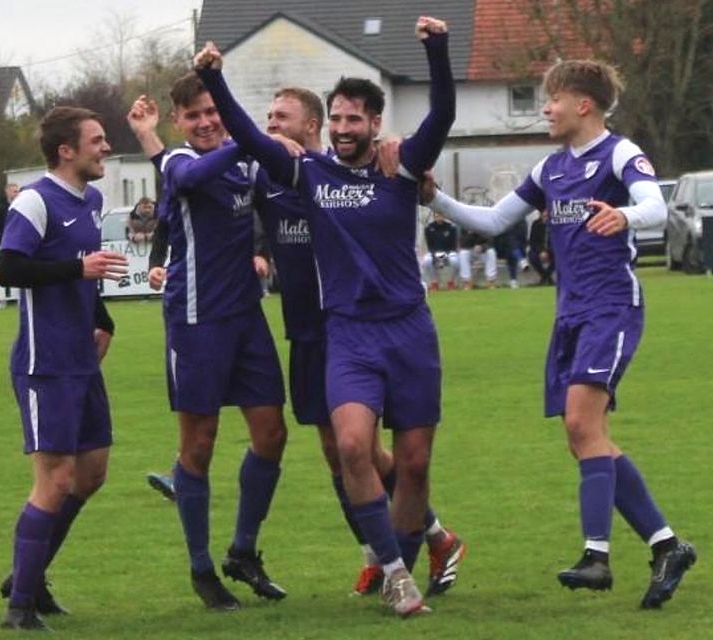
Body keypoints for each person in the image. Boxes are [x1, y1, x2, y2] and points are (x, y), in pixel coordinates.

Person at [129, 87, 466, 599]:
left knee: (361, 449)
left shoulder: (343, 171)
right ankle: (401, 549)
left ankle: (406, 547)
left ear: (313, 125)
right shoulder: (269, 174)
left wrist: (416, 173)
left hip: (354, 326)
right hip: (306, 330)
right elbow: (188, 186)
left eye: (278, 117)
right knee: (342, 451)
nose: (267, 125)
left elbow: (397, 172)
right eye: (263, 117)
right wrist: (151, 137)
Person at [193, 14, 454, 617]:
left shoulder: (401, 167)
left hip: (410, 331)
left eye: (352, 120)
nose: (341, 129)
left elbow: (441, 114)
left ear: (375, 125)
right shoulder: (308, 172)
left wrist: (437, 51)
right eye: (334, 119)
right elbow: (247, 136)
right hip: (349, 334)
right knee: (354, 446)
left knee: (413, 465)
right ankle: (393, 572)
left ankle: (407, 563)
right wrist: (216, 78)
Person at [421, 59, 696, 609]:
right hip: (569, 314)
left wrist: (623, 216)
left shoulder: (618, 153)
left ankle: (597, 556)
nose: (544, 109)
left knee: (580, 423)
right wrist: (434, 200)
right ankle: (668, 545)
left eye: (551, 100)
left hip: (611, 307)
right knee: (585, 438)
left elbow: (655, 206)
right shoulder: (550, 169)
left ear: (583, 105)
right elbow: (496, 221)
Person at [133, 72, 289, 612]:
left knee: (272, 433)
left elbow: (285, 191)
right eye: (193, 115)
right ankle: (202, 570)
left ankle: (243, 550)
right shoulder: (178, 163)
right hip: (196, 320)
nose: (204, 121)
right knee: (198, 444)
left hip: (247, 317)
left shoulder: (247, 161)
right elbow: (197, 178)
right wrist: (249, 139)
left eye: (210, 111)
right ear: (180, 122)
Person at [0, 106, 130, 631]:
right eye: (96, 141)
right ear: (66, 151)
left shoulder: (91, 200)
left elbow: (87, 276)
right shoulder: (34, 200)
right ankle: (20, 607)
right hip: (43, 362)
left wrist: (102, 318)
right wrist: (77, 268)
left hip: (81, 360)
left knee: (91, 473)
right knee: (55, 479)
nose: (104, 148)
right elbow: (10, 267)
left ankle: (26, 576)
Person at [422, 212, 460, 290]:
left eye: (441, 216)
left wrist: (442, 256)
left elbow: (453, 245)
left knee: (455, 261)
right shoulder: (429, 228)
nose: (439, 218)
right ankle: (434, 282)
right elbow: (430, 245)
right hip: (434, 252)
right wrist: (436, 255)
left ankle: (451, 281)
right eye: (437, 216)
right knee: (427, 261)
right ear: (434, 217)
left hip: (449, 252)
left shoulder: (451, 228)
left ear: (444, 216)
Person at [528, 211, 555, 285]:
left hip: (552, 249)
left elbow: (556, 240)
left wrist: (548, 251)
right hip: (539, 250)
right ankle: (545, 276)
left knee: (558, 256)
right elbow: (533, 241)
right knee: (531, 256)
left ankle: (546, 276)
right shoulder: (536, 224)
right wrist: (541, 251)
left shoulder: (554, 224)